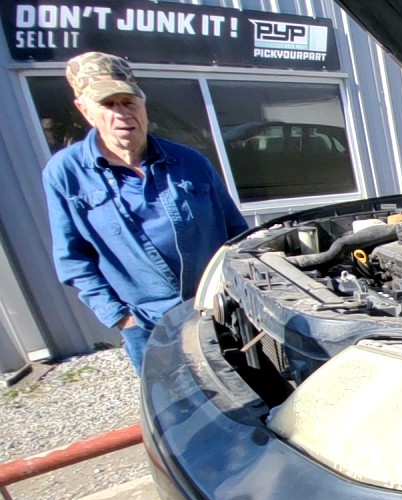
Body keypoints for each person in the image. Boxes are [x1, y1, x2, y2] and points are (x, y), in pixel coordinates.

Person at [42, 52, 248, 373]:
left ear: (143, 104)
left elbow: (237, 233)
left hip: (217, 309)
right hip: (147, 323)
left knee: (241, 389)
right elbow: (73, 260)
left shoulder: (190, 161)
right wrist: (121, 317)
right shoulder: (66, 173)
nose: (122, 113)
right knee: (173, 399)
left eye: (128, 102)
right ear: (84, 110)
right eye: (108, 104)